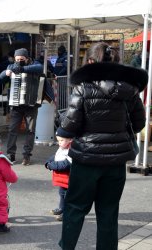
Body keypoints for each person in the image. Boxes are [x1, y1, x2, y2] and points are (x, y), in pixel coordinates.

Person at [59, 42, 148, 250]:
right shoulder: (130, 89)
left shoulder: (83, 87)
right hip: (116, 162)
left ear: (90, 61)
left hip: (86, 159)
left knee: (75, 208)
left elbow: (70, 125)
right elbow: (139, 124)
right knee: (108, 212)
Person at [0, 48, 54, 166]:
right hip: (16, 104)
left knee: (30, 130)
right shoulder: (12, 66)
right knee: (12, 130)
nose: (19, 62)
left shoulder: (35, 65)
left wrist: (22, 69)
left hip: (31, 104)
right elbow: (1, 77)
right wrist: (6, 73)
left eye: (22, 59)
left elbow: (39, 68)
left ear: (27, 59)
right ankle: (10, 154)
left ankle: (26, 155)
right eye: (17, 59)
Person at [45, 127, 74, 221]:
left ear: (70, 139)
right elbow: (56, 156)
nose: (59, 142)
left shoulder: (72, 150)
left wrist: (51, 166)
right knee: (61, 194)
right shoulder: (62, 147)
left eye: (61, 140)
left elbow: (65, 165)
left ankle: (67, 213)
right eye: (58, 140)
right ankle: (61, 208)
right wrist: (48, 161)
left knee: (68, 197)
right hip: (63, 179)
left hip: (69, 178)